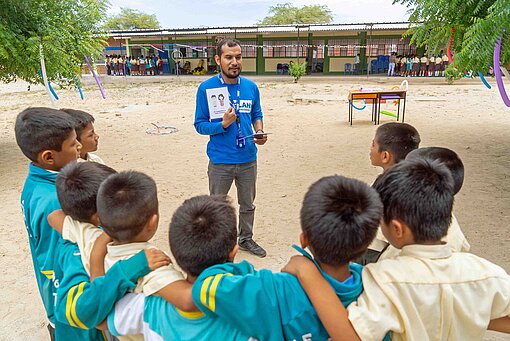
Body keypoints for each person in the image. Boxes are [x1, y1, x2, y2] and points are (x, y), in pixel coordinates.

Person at [283, 159, 510, 340]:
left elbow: (349, 336)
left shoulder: (386, 278)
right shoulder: (486, 274)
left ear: (397, 229)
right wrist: (471, 314)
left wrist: (307, 273)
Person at [191, 176, 389, 341]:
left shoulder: (275, 289)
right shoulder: (378, 291)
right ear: (367, 243)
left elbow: (206, 285)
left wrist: (244, 270)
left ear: (304, 240)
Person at [104, 195, 252, 340]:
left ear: (175, 253)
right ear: (233, 252)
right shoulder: (252, 315)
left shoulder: (149, 306)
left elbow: (99, 319)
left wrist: (98, 254)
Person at [194, 38, 268, 257]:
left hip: (248, 158)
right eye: (228, 57)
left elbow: (257, 114)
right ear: (218, 60)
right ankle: (218, 244)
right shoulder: (207, 88)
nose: (234, 62)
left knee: (248, 204)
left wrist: (260, 131)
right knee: (217, 207)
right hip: (220, 161)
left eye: (238, 57)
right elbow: (200, 125)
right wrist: (222, 124)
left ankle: (245, 239)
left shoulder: (251, 87)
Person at [15, 107, 82, 339]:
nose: (79, 147)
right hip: (67, 308)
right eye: (73, 144)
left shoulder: (35, 182)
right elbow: (57, 264)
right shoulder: (56, 202)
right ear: (49, 157)